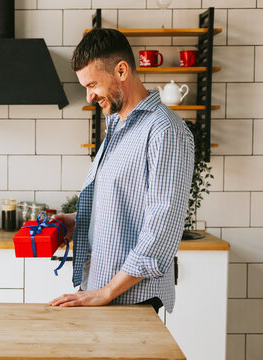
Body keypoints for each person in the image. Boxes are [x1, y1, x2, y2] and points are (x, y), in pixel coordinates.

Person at [49, 28, 194, 313]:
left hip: (131, 299)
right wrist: (78, 222)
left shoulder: (165, 131)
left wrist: (106, 292)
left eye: (93, 85)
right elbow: (125, 207)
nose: (89, 96)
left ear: (122, 70)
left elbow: (161, 231)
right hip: (101, 291)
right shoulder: (118, 126)